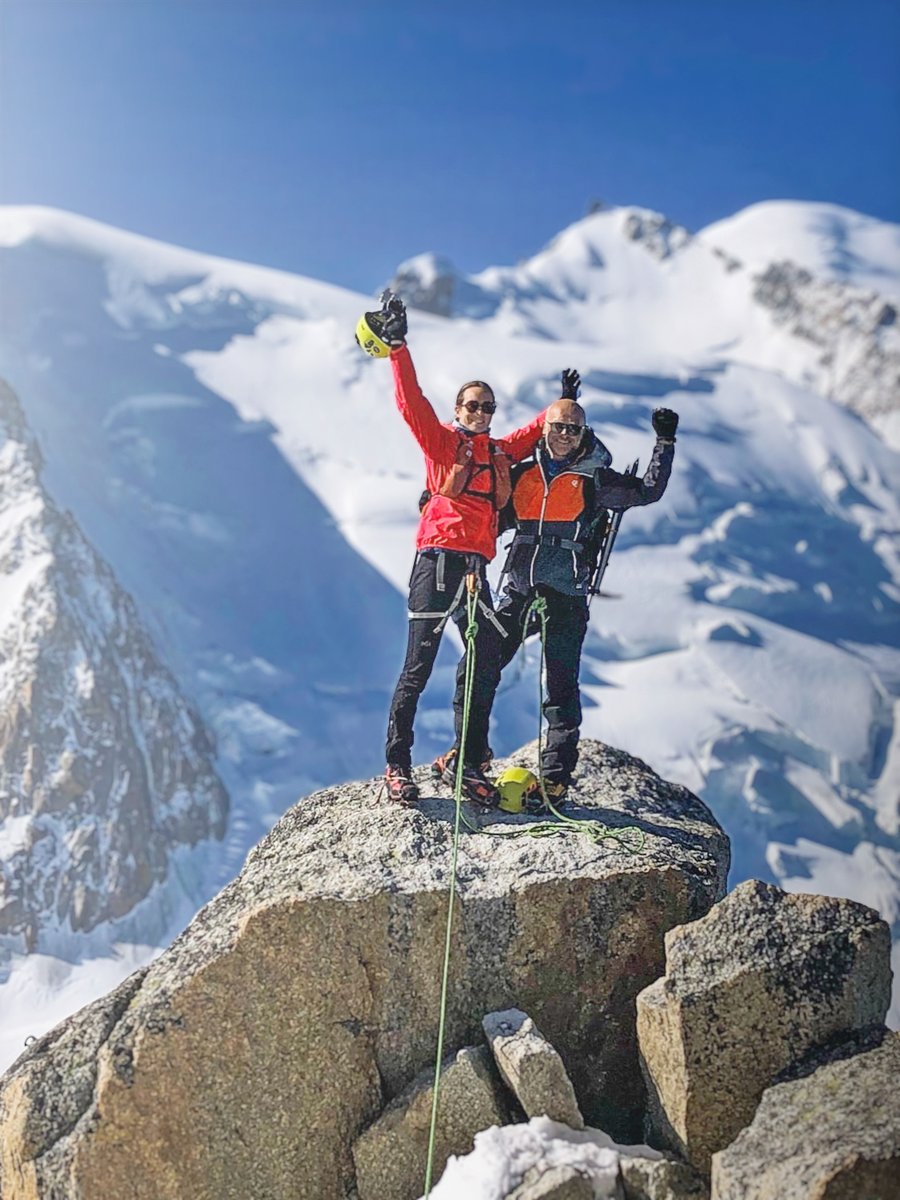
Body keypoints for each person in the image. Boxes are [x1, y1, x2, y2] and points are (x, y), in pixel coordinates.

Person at [443, 385, 678, 801]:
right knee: (478, 666)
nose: (565, 435)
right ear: (544, 428)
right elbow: (488, 511)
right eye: (558, 427)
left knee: (561, 686)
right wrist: (439, 505)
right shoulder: (520, 472)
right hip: (519, 589)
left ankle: (554, 776)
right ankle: (470, 755)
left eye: (573, 429)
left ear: (583, 433)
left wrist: (665, 442)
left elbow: (647, 491)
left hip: (566, 594)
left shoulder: (594, 479)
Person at [370, 295, 549, 805]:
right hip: (437, 564)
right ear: (458, 409)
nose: (481, 412)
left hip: (475, 569)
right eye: (473, 405)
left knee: (486, 655)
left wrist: (561, 407)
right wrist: (398, 347)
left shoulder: (497, 452)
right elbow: (410, 403)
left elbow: (533, 433)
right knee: (418, 666)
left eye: (488, 407)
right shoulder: (442, 444)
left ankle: (466, 760)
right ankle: (397, 764)